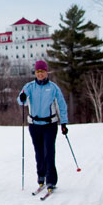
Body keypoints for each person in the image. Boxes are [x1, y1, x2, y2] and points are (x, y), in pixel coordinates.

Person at [18, 60, 69, 192]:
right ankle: (41, 176)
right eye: (38, 72)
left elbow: (62, 105)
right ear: (35, 73)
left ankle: (51, 180)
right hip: (34, 125)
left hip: (50, 125)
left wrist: (64, 122)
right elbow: (20, 100)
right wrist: (22, 97)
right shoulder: (29, 86)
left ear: (47, 72)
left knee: (49, 152)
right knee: (39, 152)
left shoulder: (53, 88)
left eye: (42, 71)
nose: (40, 74)